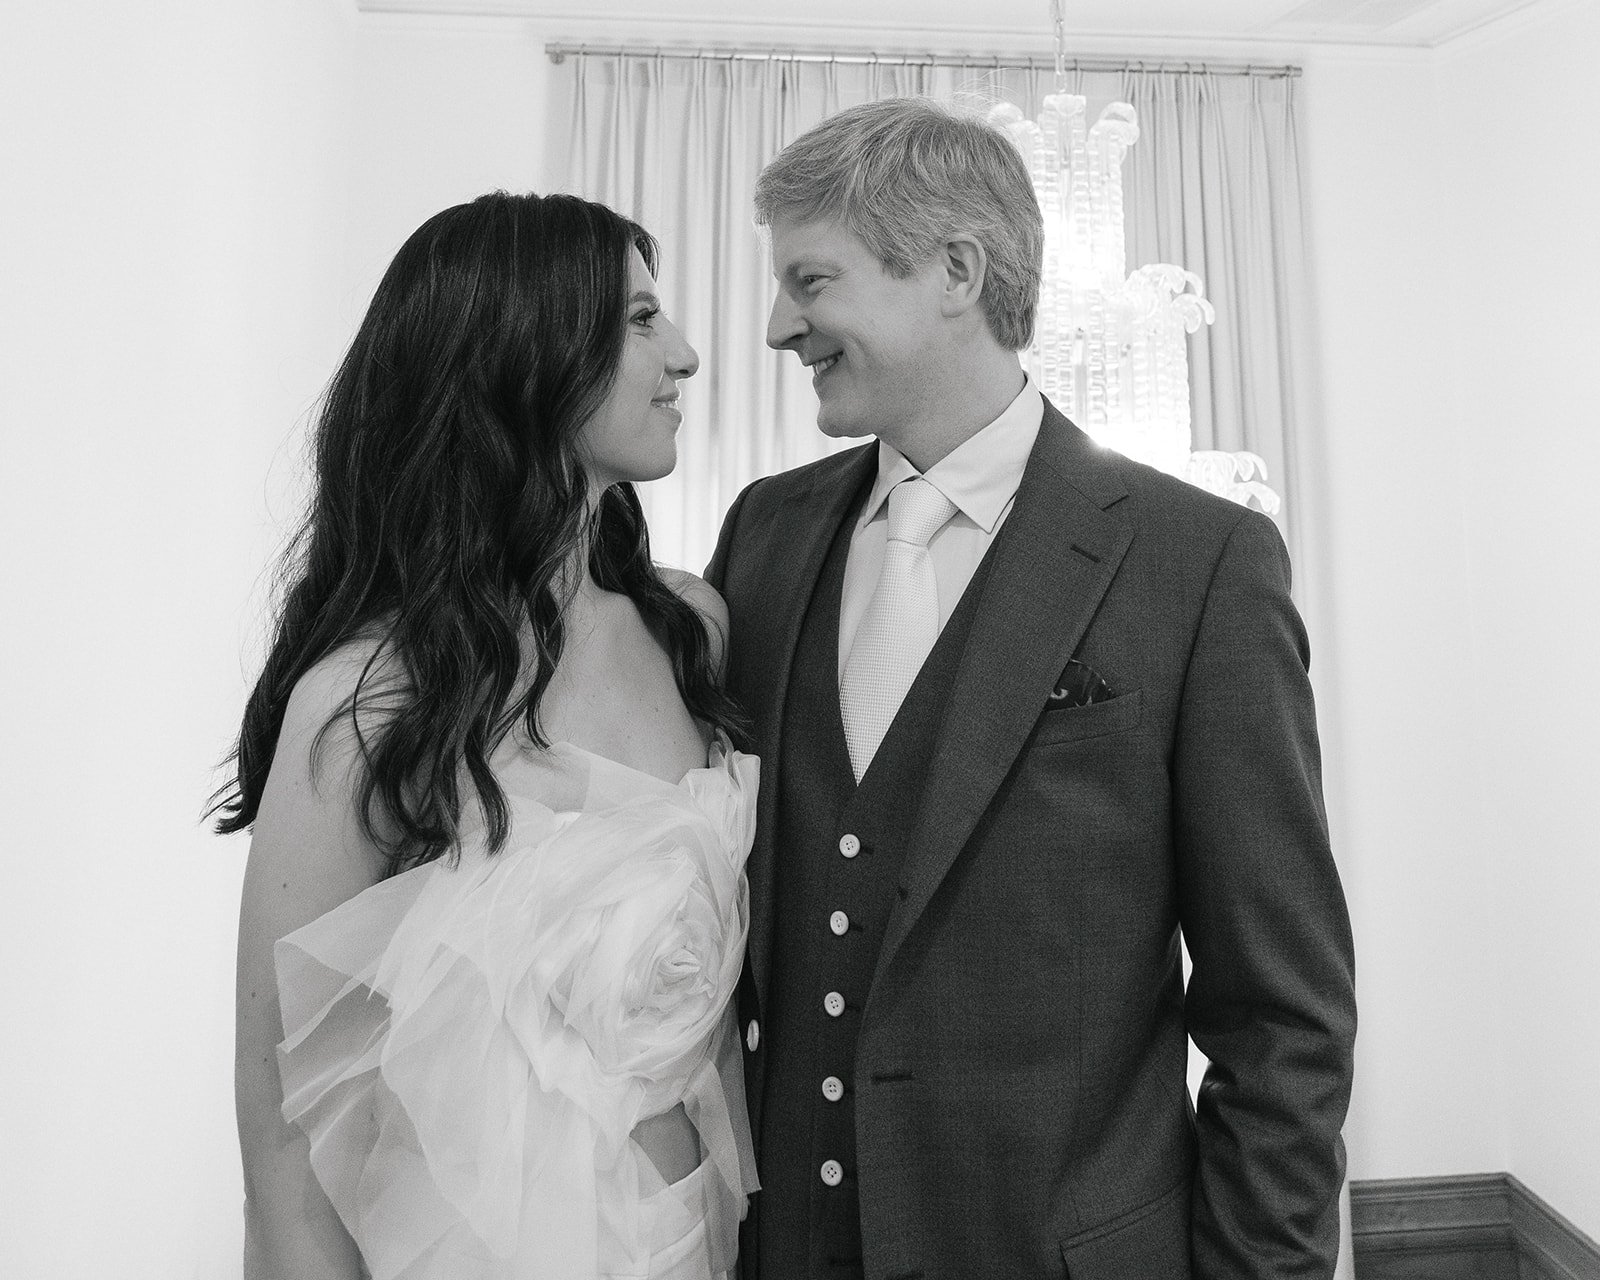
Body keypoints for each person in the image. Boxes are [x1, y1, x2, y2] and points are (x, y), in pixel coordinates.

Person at [705, 97, 1356, 1279]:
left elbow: (1282, 1013)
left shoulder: (1196, 560)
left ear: (953, 269)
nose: (774, 325)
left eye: (811, 281)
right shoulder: (763, 536)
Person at [215, 191, 759, 1280]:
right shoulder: (368, 702)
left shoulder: (690, 625)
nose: (687, 354)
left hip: (700, 1238)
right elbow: (285, 1153)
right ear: (527, 353)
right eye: (643, 320)